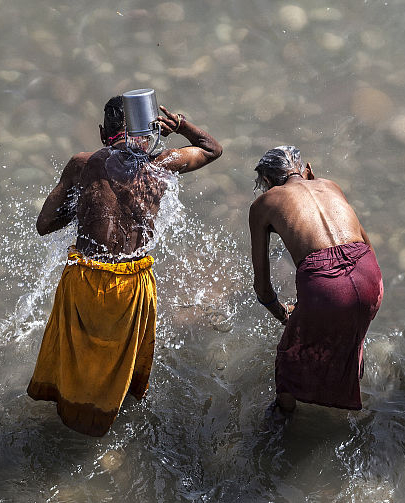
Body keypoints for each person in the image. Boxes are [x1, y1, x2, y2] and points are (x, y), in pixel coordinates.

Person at [29, 96, 222, 436]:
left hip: (86, 280)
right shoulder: (163, 163)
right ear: (148, 130)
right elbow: (211, 149)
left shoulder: (82, 164)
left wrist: (84, 203)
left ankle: (69, 418)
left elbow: (44, 224)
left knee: (76, 358)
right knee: (121, 360)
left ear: (104, 133)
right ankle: (114, 418)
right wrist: (180, 125)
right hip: (133, 284)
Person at [248, 146, 383, 414]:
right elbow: (367, 245)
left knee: (288, 357)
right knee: (352, 337)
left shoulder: (264, 203)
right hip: (370, 274)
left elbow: (262, 288)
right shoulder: (330, 185)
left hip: (327, 287)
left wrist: (284, 313)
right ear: (307, 170)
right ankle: (354, 386)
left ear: (266, 183)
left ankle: (282, 420)